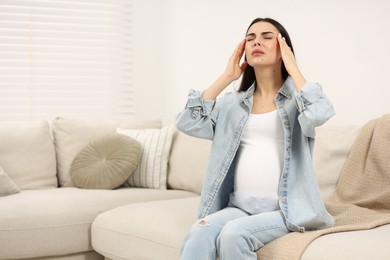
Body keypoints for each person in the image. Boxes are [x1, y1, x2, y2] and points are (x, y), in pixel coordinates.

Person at [176, 17, 335, 260]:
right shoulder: (232, 104)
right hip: (238, 208)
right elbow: (187, 121)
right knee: (199, 232)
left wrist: (293, 68)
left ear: (283, 48)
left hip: (286, 211)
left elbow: (321, 113)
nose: (256, 42)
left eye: (267, 37)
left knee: (233, 235)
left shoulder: (297, 102)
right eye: (250, 38)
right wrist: (227, 76)